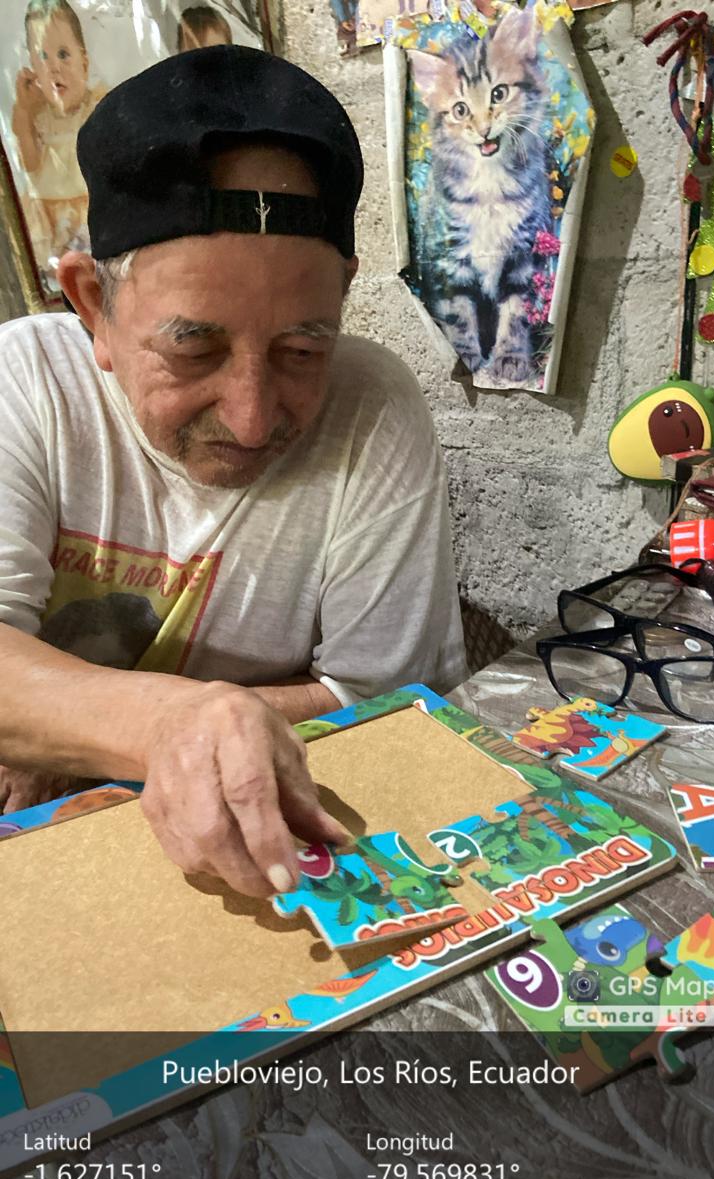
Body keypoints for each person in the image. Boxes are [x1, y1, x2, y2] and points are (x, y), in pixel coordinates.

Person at [0, 45, 468, 896]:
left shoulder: (374, 407)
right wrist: (158, 726)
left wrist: (71, 738)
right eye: (193, 349)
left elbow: (386, 701)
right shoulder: (24, 382)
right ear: (93, 304)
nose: (252, 419)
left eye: (301, 350)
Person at [11, 0, 106, 272]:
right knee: (60, 266)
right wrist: (25, 113)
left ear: (84, 63)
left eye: (63, 54)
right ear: (32, 68)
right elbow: (29, 164)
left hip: (91, 201)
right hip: (51, 212)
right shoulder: (37, 115)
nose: (54, 67)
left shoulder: (95, 105)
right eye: (43, 57)